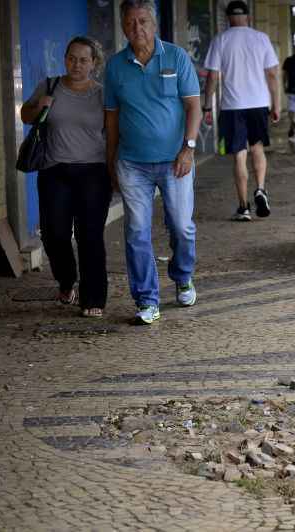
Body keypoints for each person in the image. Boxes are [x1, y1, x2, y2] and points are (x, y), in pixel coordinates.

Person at [104, 0, 202, 325]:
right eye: (131, 23)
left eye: (143, 21)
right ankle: (147, 300)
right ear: (123, 27)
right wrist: (111, 162)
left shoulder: (176, 56)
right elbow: (113, 120)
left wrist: (188, 148)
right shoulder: (116, 67)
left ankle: (182, 275)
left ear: (155, 23)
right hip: (132, 164)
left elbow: (193, 107)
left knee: (182, 227)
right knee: (136, 232)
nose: (138, 29)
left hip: (176, 161)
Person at [20, 37, 110, 318]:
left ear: (94, 63)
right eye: (72, 58)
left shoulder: (103, 94)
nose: (76, 64)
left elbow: (114, 132)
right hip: (54, 170)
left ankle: (93, 296)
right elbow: (25, 115)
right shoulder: (50, 86)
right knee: (54, 233)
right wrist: (40, 107)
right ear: (65, 58)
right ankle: (67, 280)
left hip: (94, 171)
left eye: (83, 60)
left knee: (90, 236)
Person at [203, 0, 280, 222]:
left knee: (239, 154)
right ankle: (261, 189)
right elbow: (273, 74)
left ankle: (243, 207)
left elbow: (213, 77)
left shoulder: (220, 40)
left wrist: (207, 104)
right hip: (258, 103)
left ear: (228, 18)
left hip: (232, 106)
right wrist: (275, 105)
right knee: (257, 148)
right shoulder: (261, 38)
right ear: (248, 17)